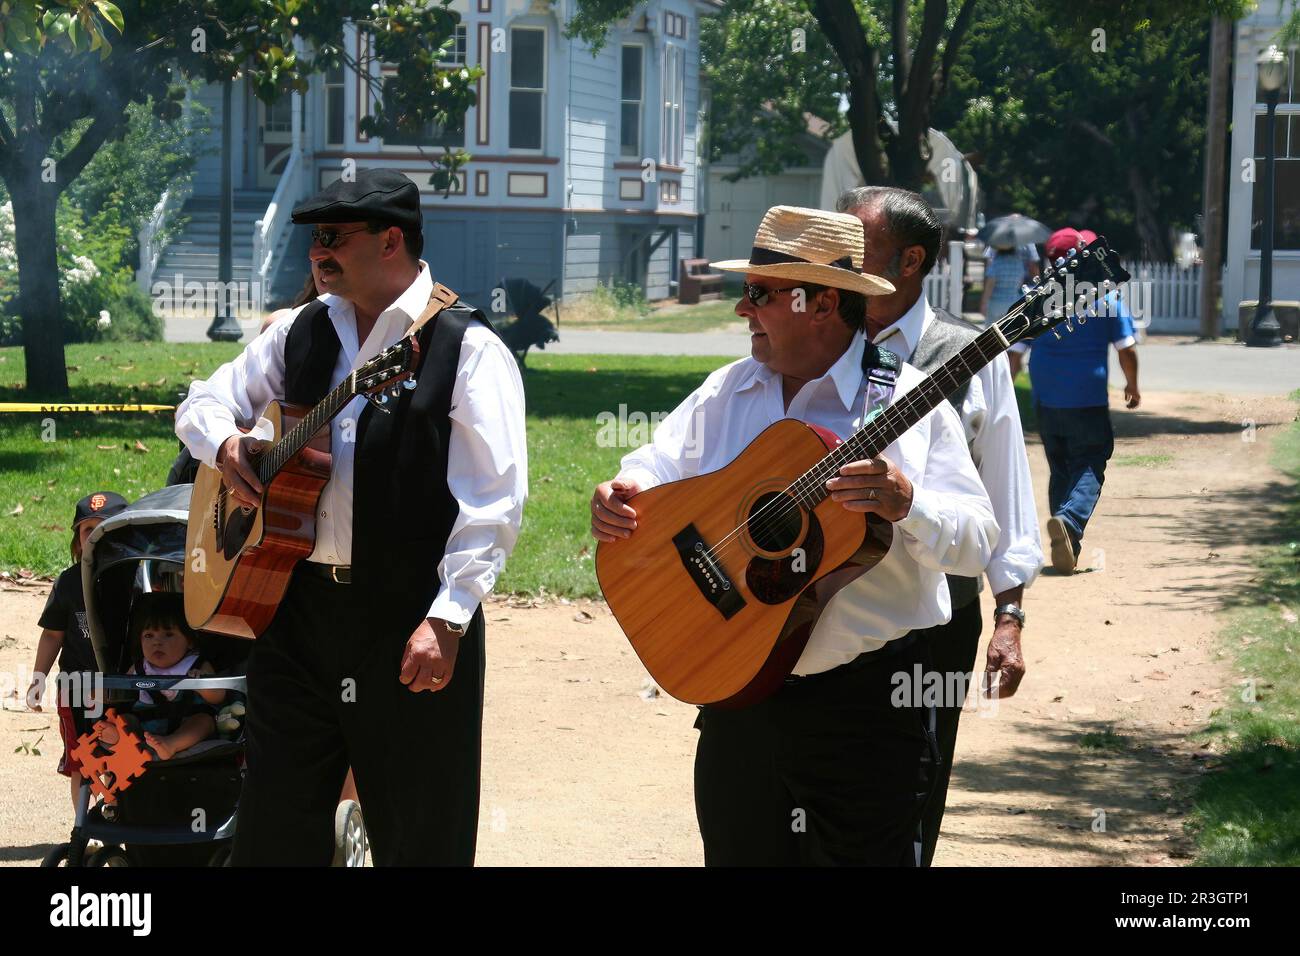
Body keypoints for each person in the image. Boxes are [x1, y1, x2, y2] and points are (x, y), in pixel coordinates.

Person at [590, 205, 999, 865]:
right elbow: (657, 462)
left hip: (865, 714)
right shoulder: (729, 391)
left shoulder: (908, 403)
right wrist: (621, 492)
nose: (741, 311)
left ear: (823, 303)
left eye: (759, 294)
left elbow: (979, 540)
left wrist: (908, 505)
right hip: (739, 697)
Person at [175, 168, 528, 865]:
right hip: (293, 608)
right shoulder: (305, 330)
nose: (317, 253)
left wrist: (448, 617)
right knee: (274, 831)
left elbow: (495, 500)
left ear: (391, 240)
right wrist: (226, 445)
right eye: (313, 239)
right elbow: (201, 402)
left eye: (333, 237)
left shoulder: (466, 348)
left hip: (407, 619)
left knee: (420, 832)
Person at [837, 186, 1044, 865]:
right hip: (818, 602)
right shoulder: (818, 335)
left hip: (929, 626)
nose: (837, 260)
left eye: (855, 247)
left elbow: (1006, 492)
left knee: (906, 797)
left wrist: (1009, 617)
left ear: (909, 260)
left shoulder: (971, 354)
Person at [1007, 227, 1140, 574]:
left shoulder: (1037, 299)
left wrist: (1005, 395)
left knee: (1062, 467)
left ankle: (1068, 543)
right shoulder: (1105, 298)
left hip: (1046, 402)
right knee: (1091, 461)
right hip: (1088, 400)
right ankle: (1068, 520)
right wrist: (1132, 385)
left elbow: (1014, 355)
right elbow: (1126, 348)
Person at [28, 491, 128, 810]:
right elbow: (52, 636)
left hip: (125, 688)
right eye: (88, 530)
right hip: (77, 689)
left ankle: (117, 814)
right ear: (77, 541)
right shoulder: (69, 583)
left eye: (106, 528)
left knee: (124, 754)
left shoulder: (137, 578)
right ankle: (83, 828)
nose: (96, 536)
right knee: (82, 761)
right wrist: (38, 678)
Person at [89, 593, 224, 762]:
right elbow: (118, 689)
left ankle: (171, 743)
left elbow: (219, 696)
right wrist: (100, 692)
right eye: (149, 636)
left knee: (205, 721)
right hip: (145, 726)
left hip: (186, 721)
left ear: (189, 641)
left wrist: (201, 683)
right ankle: (118, 737)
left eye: (168, 634)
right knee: (126, 719)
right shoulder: (139, 668)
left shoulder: (196, 665)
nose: (157, 642)